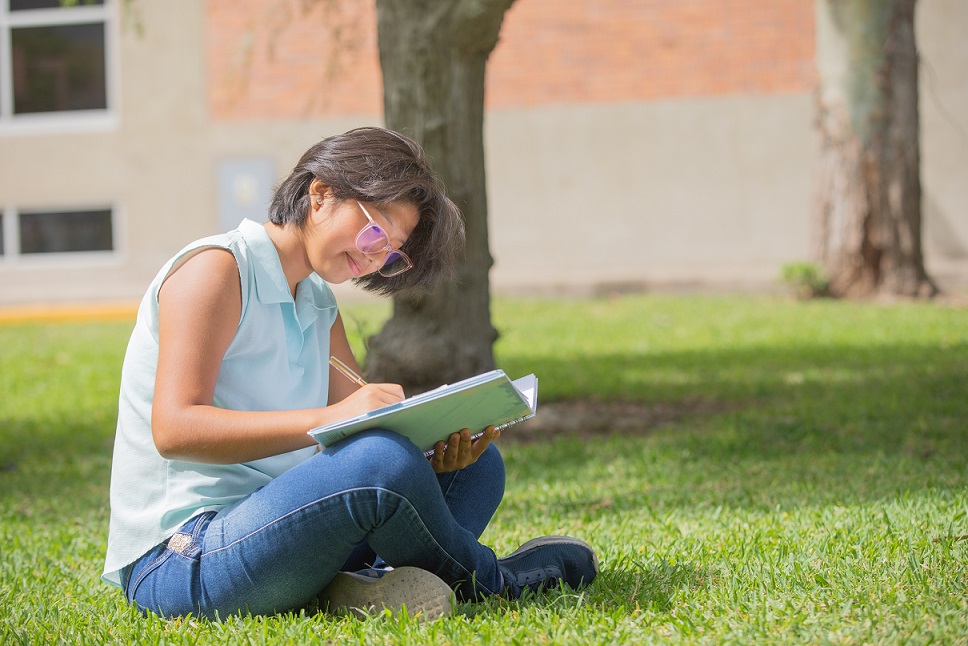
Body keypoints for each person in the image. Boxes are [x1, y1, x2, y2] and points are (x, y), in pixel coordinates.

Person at [102, 126, 598, 621]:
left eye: (390, 251)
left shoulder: (319, 304)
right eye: (376, 230)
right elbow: (175, 429)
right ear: (321, 194)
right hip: (183, 556)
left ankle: (366, 586)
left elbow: (354, 437)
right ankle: (495, 583)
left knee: (474, 467)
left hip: (279, 529)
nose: (375, 256)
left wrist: (428, 444)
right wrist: (339, 419)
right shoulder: (216, 269)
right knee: (382, 461)